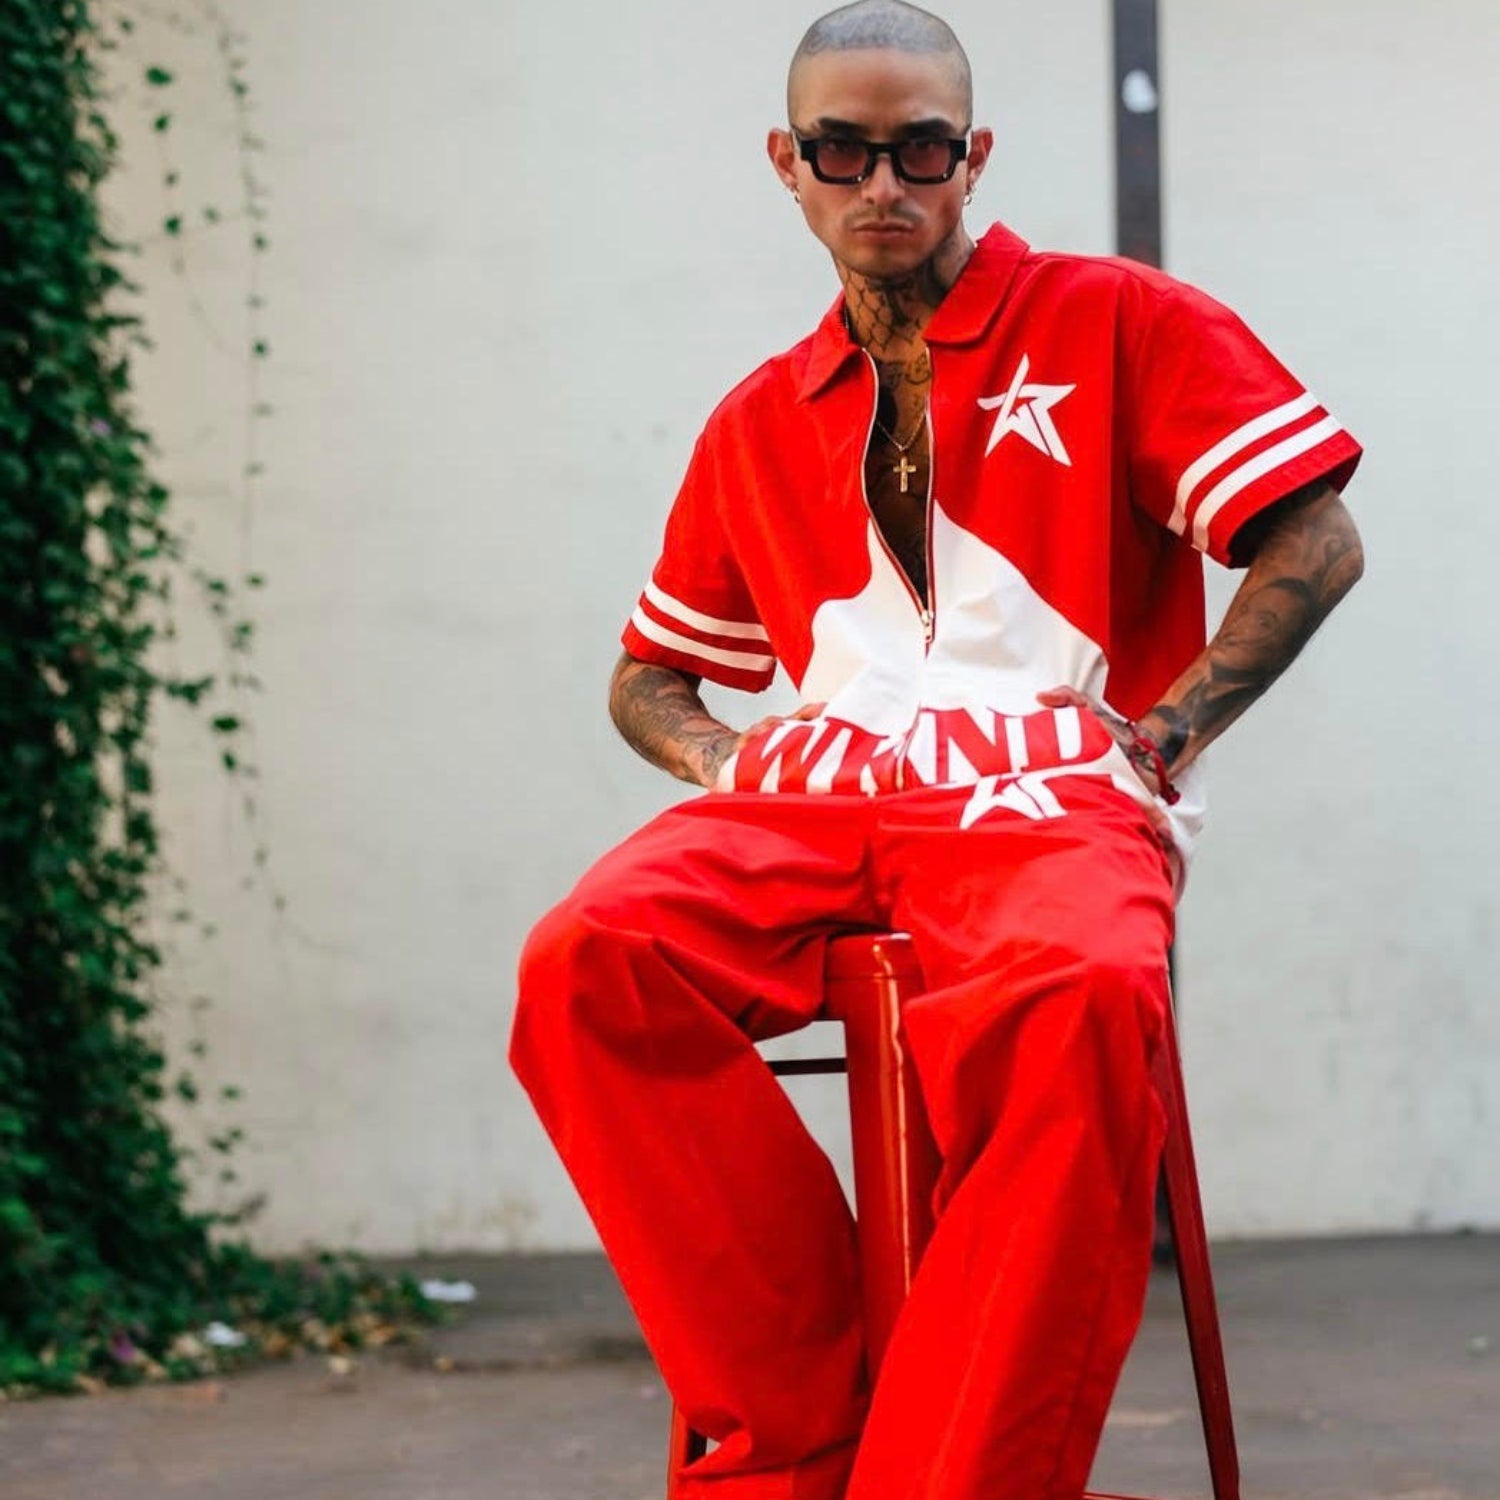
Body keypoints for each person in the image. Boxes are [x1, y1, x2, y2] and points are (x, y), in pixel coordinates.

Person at [511, 3, 1364, 1496]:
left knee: (1084, 999)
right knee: (587, 963)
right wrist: (731, 765)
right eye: (845, 149)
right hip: (819, 795)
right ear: (789, 163)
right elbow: (650, 677)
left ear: (973, 156)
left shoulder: (1117, 317)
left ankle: (949, 1475)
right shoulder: (759, 415)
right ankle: (801, 1428)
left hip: (1043, 794)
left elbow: (1317, 538)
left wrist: (1161, 738)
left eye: (919, 150)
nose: (883, 183)